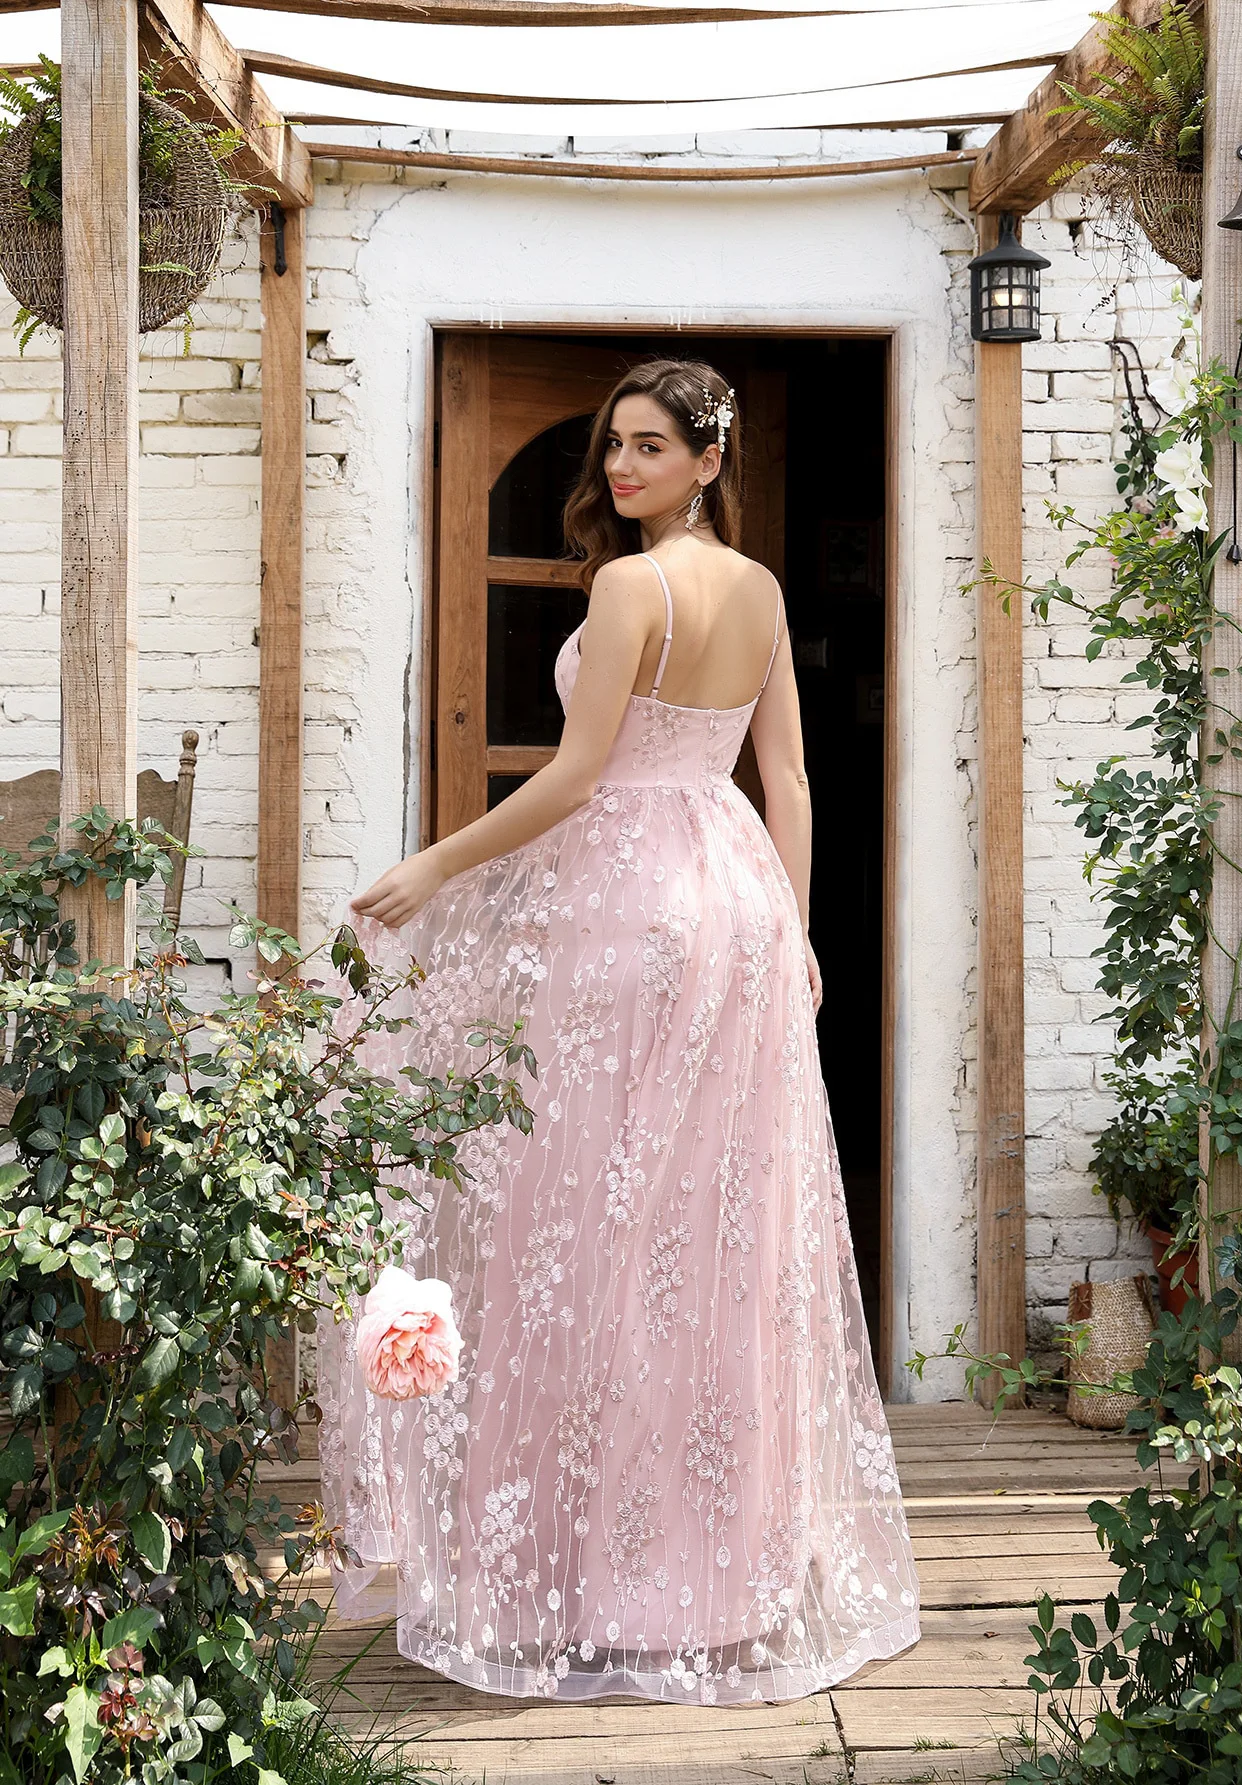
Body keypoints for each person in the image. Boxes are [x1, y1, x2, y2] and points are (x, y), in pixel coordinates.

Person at [315, 357, 921, 1705]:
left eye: (650, 447)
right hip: (739, 893)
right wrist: (799, 928)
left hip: (636, 905)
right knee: (710, 1233)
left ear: (712, 458)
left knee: (599, 1226)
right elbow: (790, 781)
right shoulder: (757, 592)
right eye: (616, 447)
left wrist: (435, 865)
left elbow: (583, 775)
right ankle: (713, 1573)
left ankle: (604, 1570)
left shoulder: (626, 587)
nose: (623, 470)